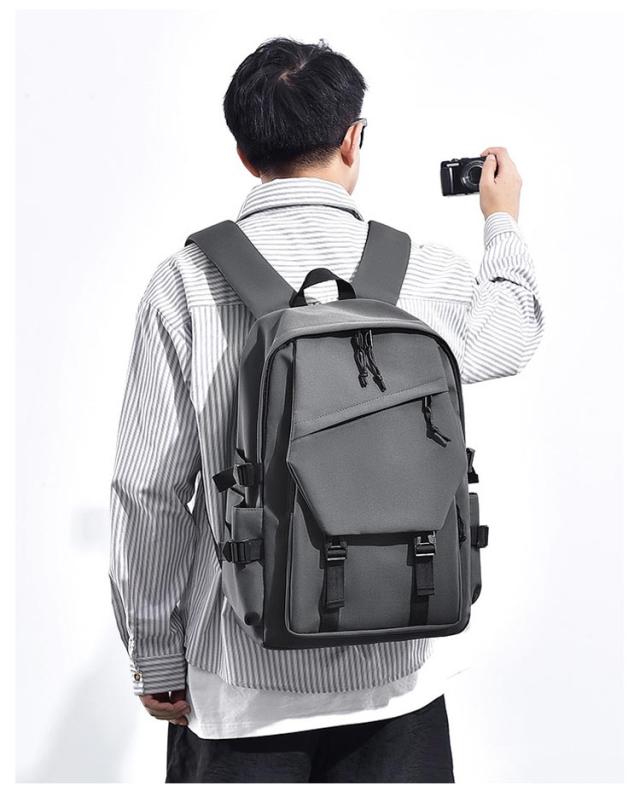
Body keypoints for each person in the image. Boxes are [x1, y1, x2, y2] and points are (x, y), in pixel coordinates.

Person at [108, 36, 544, 783]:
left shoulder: (185, 281)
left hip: (242, 681)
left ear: (244, 154)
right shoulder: (419, 269)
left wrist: (155, 653)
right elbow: (514, 332)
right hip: (397, 672)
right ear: (352, 139)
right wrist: (500, 220)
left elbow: (148, 490)